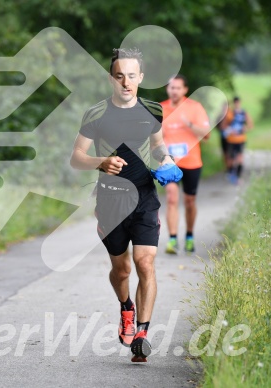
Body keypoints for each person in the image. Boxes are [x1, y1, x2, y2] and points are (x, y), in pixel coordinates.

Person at [70, 48, 182, 362]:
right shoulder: (95, 114)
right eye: (119, 76)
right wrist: (100, 162)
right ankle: (126, 308)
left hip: (145, 198)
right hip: (109, 201)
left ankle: (142, 335)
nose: (126, 82)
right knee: (122, 270)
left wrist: (167, 159)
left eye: (131, 76)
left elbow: (158, 145)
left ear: (140, 78)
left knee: (145, 263)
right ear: (111, 78)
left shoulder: (152, 109)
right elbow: (76, 157)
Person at [161, 75, 211, 254]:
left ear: (185, 90)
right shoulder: (161, 108)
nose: (173, 90)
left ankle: (189, 236)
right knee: (171, 197)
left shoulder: (194, 108)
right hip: (169, 162)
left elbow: (206, 135)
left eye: (177, 87)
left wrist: (189, 124)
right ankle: (172, 239)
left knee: (190, 201)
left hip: (191, 161)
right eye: (171, 87)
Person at [221, 97, 253, 185]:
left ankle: (238, 177)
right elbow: (223, 126)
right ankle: (230, 173)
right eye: (235, 103)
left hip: (241, 139)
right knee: (230, 158)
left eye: (238, 103)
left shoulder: (244, 113)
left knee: (240, 158)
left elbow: (250, 125)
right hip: (231, 140)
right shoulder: (229, 113)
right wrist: (229, 129)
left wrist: (244, 128)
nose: (237, 104)